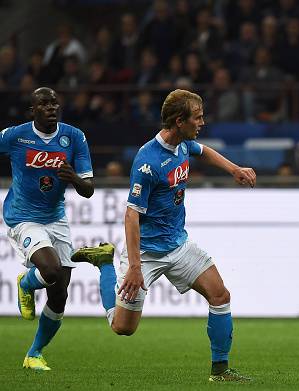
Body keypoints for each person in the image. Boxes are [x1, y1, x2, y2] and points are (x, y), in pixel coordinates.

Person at [71, 89, 255, 382]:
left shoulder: (184, 144)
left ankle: (220, 371)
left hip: (178, 245)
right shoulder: (148, 161)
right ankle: (105, 263)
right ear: (179, 121)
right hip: (146, 254)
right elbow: (131, 215)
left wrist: (233, 169)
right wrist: (133, 267)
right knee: (123, 327)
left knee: (220, 295)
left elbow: (203, 151)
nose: (202, 122)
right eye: (198, 117)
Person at [0, 87, 111, 371]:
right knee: (49, 271)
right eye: (43, 104)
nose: (51, 107)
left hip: (56, 217)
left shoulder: (74, 137)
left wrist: (74, 176)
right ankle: (26, 283)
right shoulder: (15, 135)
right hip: (22, 216)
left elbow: (88, 190)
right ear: (32, 110)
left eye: (54, 103)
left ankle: (34, 353)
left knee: (60, 293)